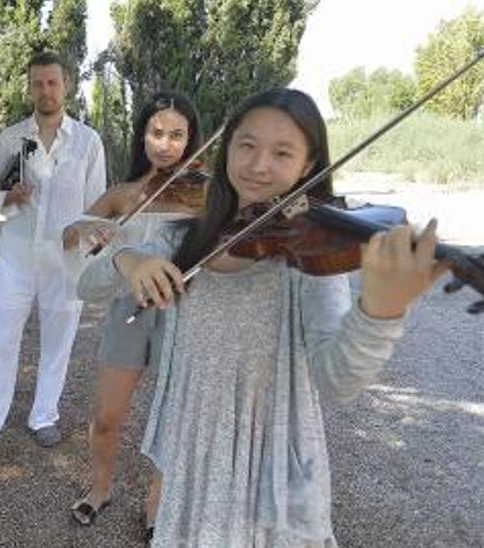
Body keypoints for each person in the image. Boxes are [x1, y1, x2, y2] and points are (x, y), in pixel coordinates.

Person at [112, 88, 446, 546]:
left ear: (309, 166)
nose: (258, 165)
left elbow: (337, 379)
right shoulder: (183, 238)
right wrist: (128, 260)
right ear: (226, 148)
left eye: (282, 152)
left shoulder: (305, 257)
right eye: (246, 145)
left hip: (268, 461)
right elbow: (86, 280)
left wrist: (380, 312)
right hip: (192, 444)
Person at [0, 51, 108, 456]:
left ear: (66, 85)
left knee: (59, 340)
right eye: (38, 83)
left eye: (52, 82)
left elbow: (97, 206)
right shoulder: (11, 138)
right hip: (16, 256)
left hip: (66, 260)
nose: (45, 90)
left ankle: (44, 415)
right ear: (29, 88)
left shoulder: (89, 142)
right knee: (1, 338)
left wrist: (86, 236)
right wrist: (9, 196)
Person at [63, 91, 205, 528]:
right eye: (157, 133)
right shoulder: (122, 195)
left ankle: (157, 501)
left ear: (191, 140)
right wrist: (93, 233)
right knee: (106, 416)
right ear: (142, 136)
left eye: (177, 135)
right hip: (129, 310)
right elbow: (70, 236)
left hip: (184, 313)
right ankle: (100, 487)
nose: (165, 144)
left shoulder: (207, 192)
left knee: (174, 419)